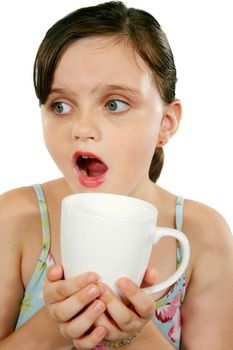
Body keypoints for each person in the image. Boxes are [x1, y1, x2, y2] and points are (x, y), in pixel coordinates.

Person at [0, 1, 233, 349]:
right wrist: (54, 322)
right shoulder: (16, 219)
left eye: (114, 104)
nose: (82, 128)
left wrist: (135, 333)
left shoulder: (200, 235)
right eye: (60, 106)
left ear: (165, 123)